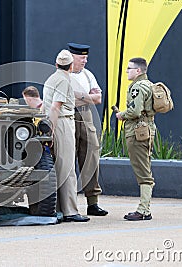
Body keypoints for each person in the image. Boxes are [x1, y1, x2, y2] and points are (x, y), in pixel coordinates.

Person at [42, 49, 89, 222]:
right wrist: (51, 130)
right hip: (62, 122)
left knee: (59, 166)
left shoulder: (51, 79)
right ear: (70, 66)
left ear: (56, 64)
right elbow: (56, 106)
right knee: (68, 167)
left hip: (53, 121)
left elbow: (44, 106)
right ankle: (70, 211)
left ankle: (60, 208)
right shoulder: (64, 80)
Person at [68, 42, 108, 216]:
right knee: (67, 160)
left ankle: (93, 202)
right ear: (72, 58)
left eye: (86, 57)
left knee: (91, 159)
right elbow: (66, 101)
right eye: (81, 57)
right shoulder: (63, 76)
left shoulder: (88, 75)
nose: (85, 61)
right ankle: (67, 204)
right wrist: (87, 97)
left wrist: (79, 96)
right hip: (69, 117)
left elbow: (98, 98)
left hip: (87, 117)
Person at [115, 57, 156, 221]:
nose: (127, 71)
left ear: (138, 71)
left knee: (143, 172)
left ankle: (144, 210)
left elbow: (135, 111)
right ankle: (144, 208)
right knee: (145, 166)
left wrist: (121, 115)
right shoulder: (149, 85)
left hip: (138, 131)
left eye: (129, 68)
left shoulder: (137, 87)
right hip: (148, 129)